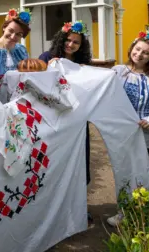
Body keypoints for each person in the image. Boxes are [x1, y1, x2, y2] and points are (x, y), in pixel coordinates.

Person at [106, 30, 149, 227]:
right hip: (124, 134)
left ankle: (141, 212)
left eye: (146, 52)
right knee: (124, 173)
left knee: (143, 172)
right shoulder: (118, 72)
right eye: (137, 49)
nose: (139, 54)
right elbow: (99, 88)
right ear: (131, 49)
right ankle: (124, 212)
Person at [39, 20, 94, 224]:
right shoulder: (46, 58)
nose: (70, 45)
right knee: (56, 161)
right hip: (54, 119)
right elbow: (36, 83)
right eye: (68, 40)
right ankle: (53, 209)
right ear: (61, 39)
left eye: (76, 42)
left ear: (81, 46)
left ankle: (80, 206)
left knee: (81, 160)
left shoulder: (84, 64)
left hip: (78, 119)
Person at [0, 8, 31, 93]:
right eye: (11, 31)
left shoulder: (22, 50)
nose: (13, 36)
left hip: (18, 98)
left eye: (18, 34)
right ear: (4, 28)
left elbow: (28, 74)